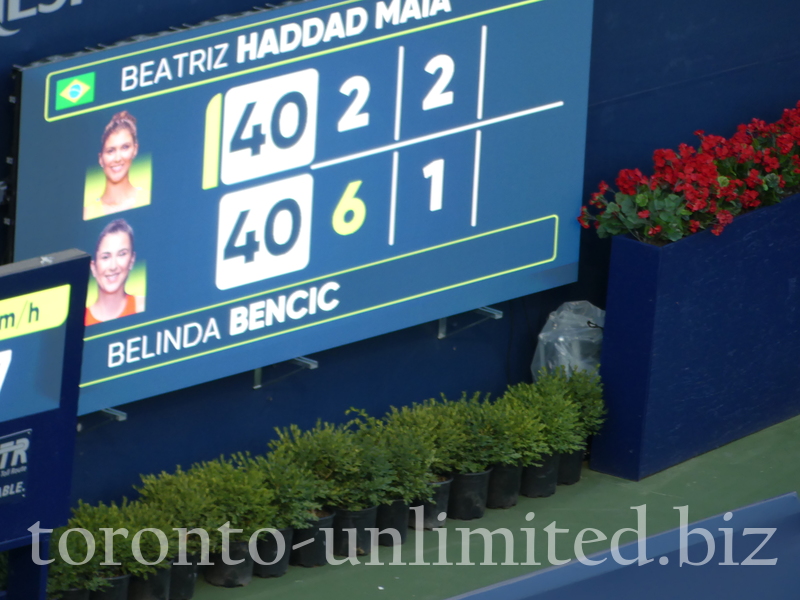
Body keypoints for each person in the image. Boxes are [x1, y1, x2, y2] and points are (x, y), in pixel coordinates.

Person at [83, 111, 150, 220]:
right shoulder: (87, 213)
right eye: (110, 151)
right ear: (101, 159)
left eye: (125, 147)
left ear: (135, 150)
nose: (118, 158)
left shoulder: (148, 197)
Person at [85, 219, 145, 326]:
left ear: (131, 260)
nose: (113, 266)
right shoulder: (80, 320)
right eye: (105, 257)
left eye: (122, 254)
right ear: (93, 267)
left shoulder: (143, 306)